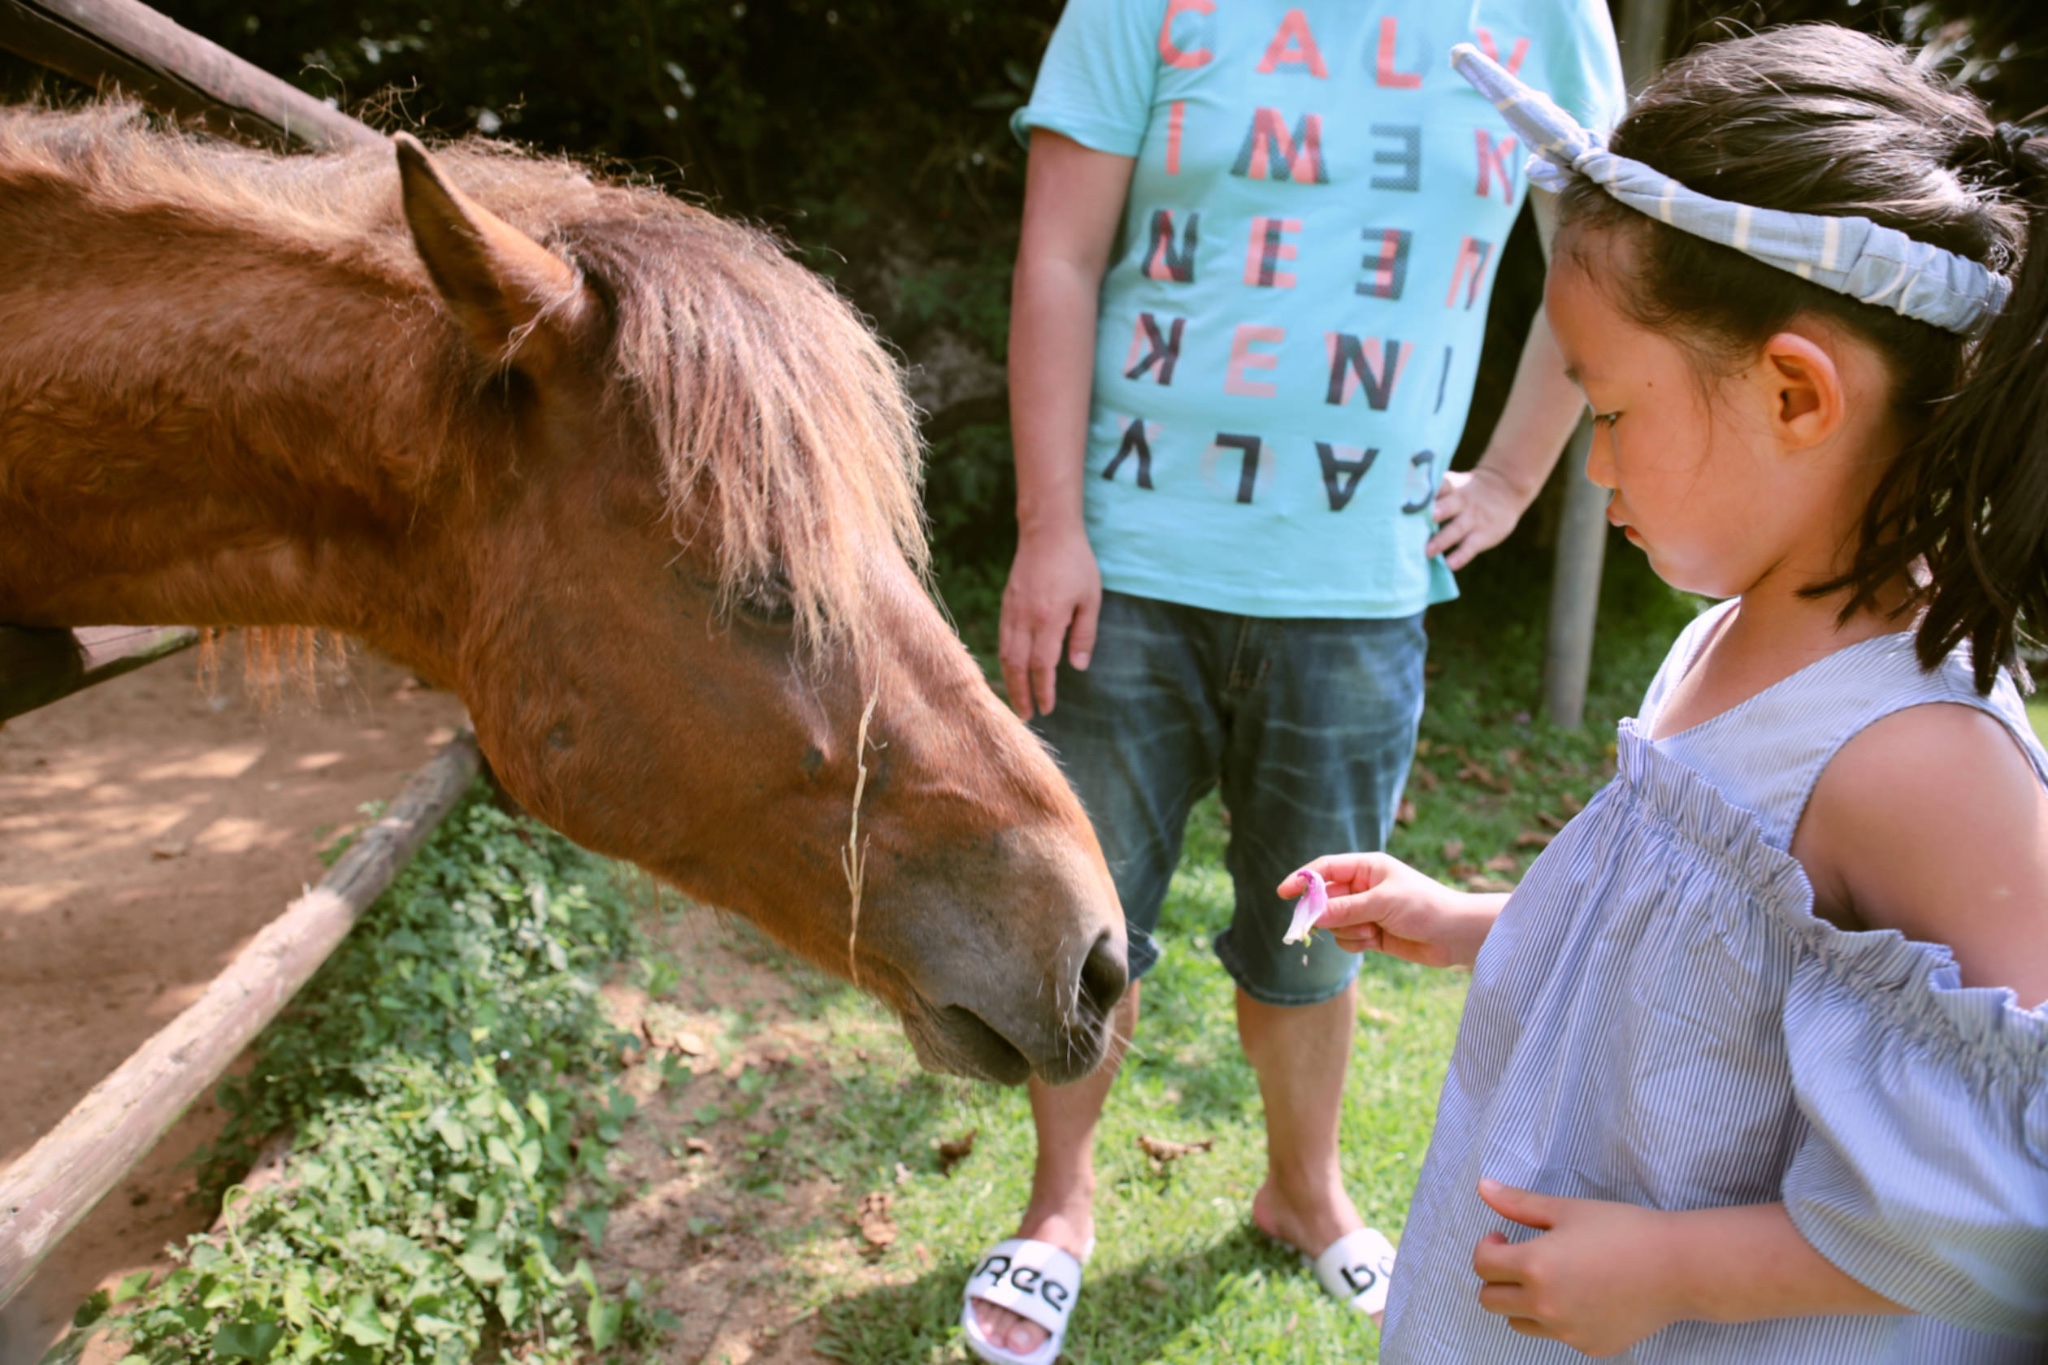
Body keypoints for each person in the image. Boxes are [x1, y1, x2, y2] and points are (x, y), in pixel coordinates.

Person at [1292, 27, 2048, 1362]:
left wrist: (1678, 1268)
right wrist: (1471, 921)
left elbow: (2017, 1188)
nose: (1594, 465)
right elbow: (1689, 945)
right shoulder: (1735, 627)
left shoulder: (1919, 757)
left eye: (1612, 409)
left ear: (1795, 391)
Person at [962, 1, 1624, 1361]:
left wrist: (1510, 478)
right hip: (1125, 568)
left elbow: (1608, 265)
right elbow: (1062, 255)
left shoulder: (1546, 15)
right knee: (1081, 922)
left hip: (1357, 595)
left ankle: (1302, 1194)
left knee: (1313, 929)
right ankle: (1058, 1207)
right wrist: (1049, 529)